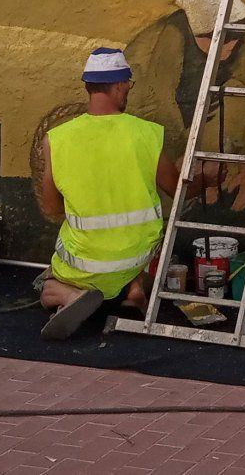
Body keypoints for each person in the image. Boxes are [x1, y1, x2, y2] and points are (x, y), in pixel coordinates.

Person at [31, 47, 181, 340]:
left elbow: (50, 208)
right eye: (128, 85)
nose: (128, 91)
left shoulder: (57, 139)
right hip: (137, 256)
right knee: (142, 249)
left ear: (89, 86)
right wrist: (205, 178)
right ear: (118, 86)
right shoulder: (147, 133)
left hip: (85, 263)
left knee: (46, 285)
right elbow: (178, 189)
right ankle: (135, 288)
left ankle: (71, 295)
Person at [124, 0, 245, 209]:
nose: (227, 48)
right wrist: (185, 159)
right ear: (196, 33)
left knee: (236, 97)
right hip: (148, 112)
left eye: (234, 39)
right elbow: (159, 104)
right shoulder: (171, 38)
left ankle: (219, 183)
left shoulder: (242, 39)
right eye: (216, 41)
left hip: (202, 107)